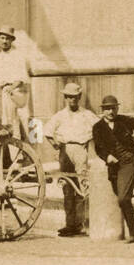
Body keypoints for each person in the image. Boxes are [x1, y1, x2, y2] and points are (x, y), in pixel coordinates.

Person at [91, 96, 134, 244]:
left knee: (123, 198)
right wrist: (107, 157)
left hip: (130, 162)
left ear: (117, 109)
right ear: (102, 110)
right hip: (114, 166)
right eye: (107, 108)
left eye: (113, 108)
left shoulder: (124, 120)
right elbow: (99, 148)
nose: (110, 111)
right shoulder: (98, 127)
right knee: (124, 199)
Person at [44, 82, 98, 236]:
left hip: (81, 149)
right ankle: (69, 224)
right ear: (65, 97)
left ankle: (81, 223)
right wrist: (55, 144)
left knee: (82, 186)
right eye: (68, 97)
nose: (71, 100)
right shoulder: (60, 115)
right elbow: (47, 130)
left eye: (74, 97)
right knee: (67, 188)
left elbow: (100, 128)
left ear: (79, 97)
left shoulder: (87, 114)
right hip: (65, 151)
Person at [0, 25, 32, 138]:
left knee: (23, 124)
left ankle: (27, 153)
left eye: (7, 38)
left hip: (19, 92)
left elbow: (22, 78)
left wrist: (12, 87)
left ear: (11, 40)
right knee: (9, 124)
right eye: (2, 38)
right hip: (6, 92)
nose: (4, 41)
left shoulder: (18, 56)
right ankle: (16, 155)